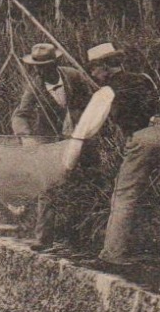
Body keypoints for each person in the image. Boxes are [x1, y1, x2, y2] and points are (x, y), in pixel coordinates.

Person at [86, 43, 160, 265]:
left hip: (142, 137)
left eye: (93, 68)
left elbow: (91, 127)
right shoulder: (143, 78)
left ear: (104, 66)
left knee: (124, 196)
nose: (92, 74)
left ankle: (112, 254)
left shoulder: (106, 91)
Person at [10, 42, 97, 250]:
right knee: (47, 187)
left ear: (56, 63)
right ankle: (44, 238)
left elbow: (92, 101)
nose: (41, 71)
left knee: (87, 181)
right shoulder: (34, 87)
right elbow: (20, 115)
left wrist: (84, 123)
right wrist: (26, 136)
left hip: (79, 137)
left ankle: (83, 236)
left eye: (46, 66)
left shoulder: (73, 75)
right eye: (37, 67)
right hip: (50, 141)